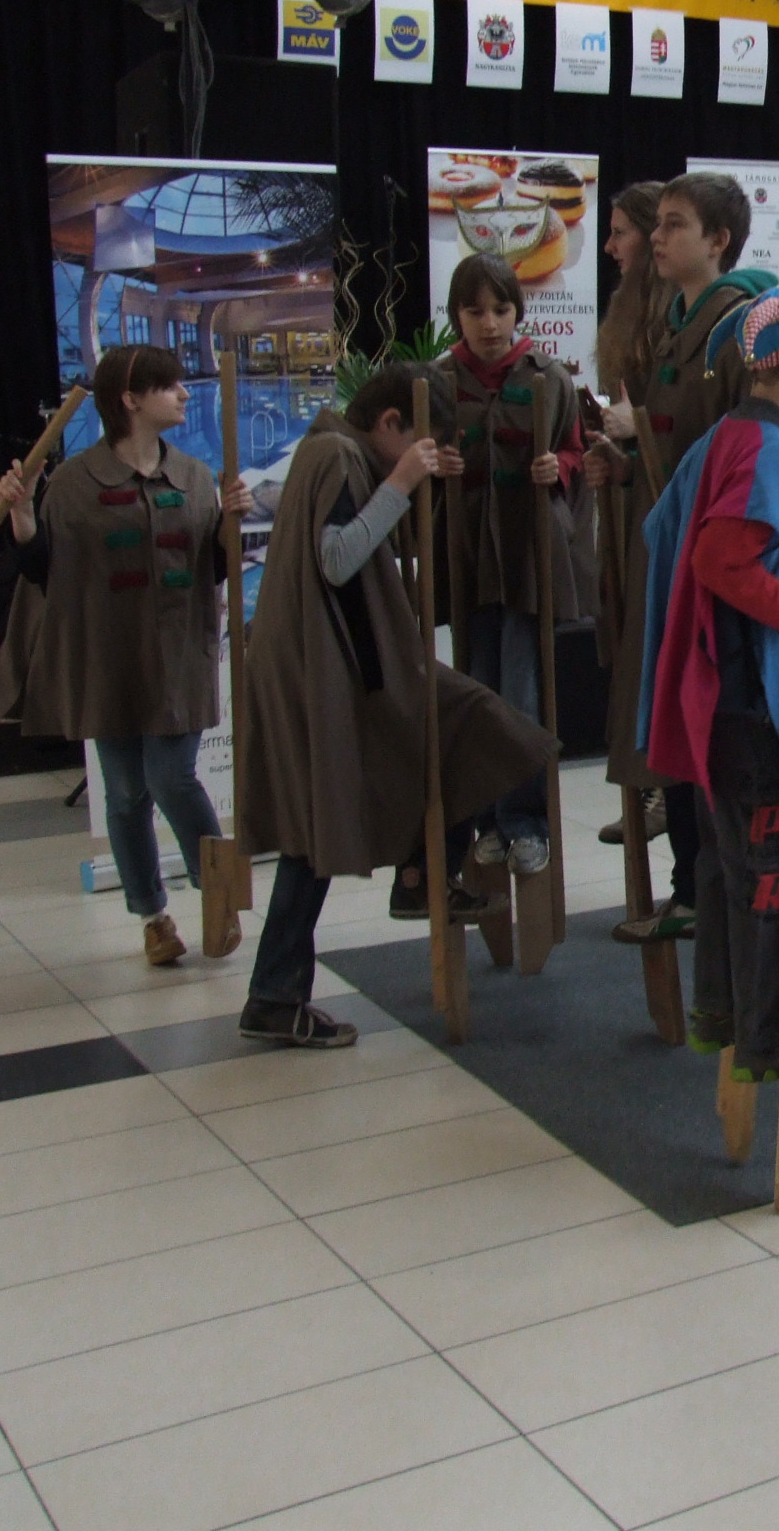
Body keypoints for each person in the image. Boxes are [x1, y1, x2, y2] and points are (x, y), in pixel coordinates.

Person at [237, 364, 551, 1047]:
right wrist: (402, 483)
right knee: (466, 728)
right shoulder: (336, 454)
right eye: (416, 442)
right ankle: (280, 989)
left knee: (444, 735)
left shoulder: (334, 452)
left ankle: (415, 873)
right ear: (389, 424)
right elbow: (336, 558)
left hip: (340, 663)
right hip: (326, 669)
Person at [638, 278, 779, 1084]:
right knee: (771, 881)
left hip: (721, 700)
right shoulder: (773, 452)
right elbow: (718, 560)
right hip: (755, 706)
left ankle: (719, 1012)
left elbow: (672, 534)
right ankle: (769, 1045)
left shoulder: (728, 436)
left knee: (725, 867)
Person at [0, 345, 246, 966]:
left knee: (172, 776)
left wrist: (231, 523)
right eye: (169, 386)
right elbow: (43, 569)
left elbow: (213, 566)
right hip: (108, 657)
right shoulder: (74, 484)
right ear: (130, 400)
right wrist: (21, 513)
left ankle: (219, 895)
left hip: (179, 654)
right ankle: (153, 917)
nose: (184, 394)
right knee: (127, 792)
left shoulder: (194, 476)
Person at [599, 170, 777, 942]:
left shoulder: (739, 330)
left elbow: (756, 454)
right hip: (666, 559)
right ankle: (690, 887)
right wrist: (623, 465)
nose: (657, 237)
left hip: (709, 569)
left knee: (708, 726)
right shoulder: (675, 328)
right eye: (659, 222)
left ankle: (725, 887)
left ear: (719, 240)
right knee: (667, 720)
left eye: (675, 224)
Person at [426, 254, 582, 887]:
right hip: (466, 558)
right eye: (474, 311)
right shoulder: (438, 383)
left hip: (526, 557)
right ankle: (487, 820)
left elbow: (575, 452)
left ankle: (526, 822)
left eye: (500, 309)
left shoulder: (549, 378)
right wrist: (432, 465)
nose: (489, 324)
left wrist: (558, 469)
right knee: (475, 687)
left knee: (521, 687)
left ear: (518, 311)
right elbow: (405, 465)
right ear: (456, 316)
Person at [592, 181, 669, 851]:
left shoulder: (679, 312)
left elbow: (692, 420)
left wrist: (636, 425)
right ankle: (648, 786)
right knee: (634, 649)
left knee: (659, 647)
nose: (611, 247)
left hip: (667, 504)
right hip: (638, 497)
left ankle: (663, 792)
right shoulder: (631, 308)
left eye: (621, 233)